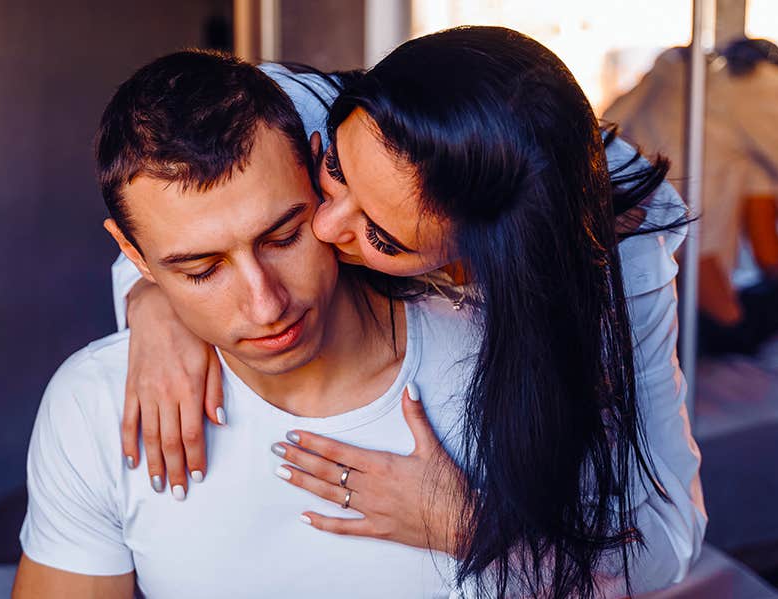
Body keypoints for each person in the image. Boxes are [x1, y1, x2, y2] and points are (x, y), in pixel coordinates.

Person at [116, 27, 705, 598]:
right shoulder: (298, 112)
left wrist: (469, 528)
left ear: (476, 266)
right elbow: (160, 210)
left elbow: (673, 540)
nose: (323, 225)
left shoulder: (626, 268)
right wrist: (152, 304)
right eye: (337, 172)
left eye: (383, 238)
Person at [13, 49, 477, 598]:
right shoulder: (95, 405)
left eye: (284, 238)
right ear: (135, 257)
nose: (265, 306)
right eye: (202, 270)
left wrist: (477, 533)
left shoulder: (495, 357)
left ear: (321, 175)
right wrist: (148, 301)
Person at [605, 38, 778, 355]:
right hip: (693, 271)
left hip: (617, 261)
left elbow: (608, 122)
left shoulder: (670, 73)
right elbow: (770, 255)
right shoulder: (756, 97)